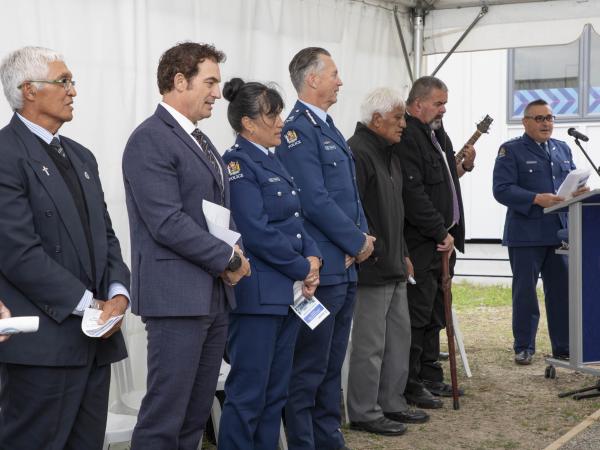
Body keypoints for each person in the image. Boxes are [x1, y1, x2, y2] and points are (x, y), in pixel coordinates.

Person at [0, 46, 130, 449]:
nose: (74, 90)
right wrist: (91, 305)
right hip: (43, 350)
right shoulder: (5, 154)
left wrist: (118, 295)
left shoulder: (81, 156)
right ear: (29, 90)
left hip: (95, 342)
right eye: (64, 81)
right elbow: (18, 253)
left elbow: (106, 237)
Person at [122, 43, 250, 449]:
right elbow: (166, 222)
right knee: (165, 416)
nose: (217, 92)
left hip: (211, 296)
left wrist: (236, 251)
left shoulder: (203, 142)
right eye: (209, 82)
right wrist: (227, 257)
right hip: (176, 299)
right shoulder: (150, 139)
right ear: (180, 81)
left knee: (195, 416)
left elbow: (217, 214)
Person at [277, 46, 375, 450]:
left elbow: (350, 195)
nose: (340, 81)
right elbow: (313, 200)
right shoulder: (297, 131)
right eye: (333, 73)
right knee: (309, 368)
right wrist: (354, 242)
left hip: (347, 267)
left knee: (332, 365)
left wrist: (365, 240)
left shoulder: (329, 126)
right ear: (312, 78)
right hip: (323, 270)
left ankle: (329, 439)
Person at [217, 78, 322, 449]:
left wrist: (313, 257)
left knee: (275, 395)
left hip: (287, 295)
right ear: (248, 123)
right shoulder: (238, 163)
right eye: (273, 114)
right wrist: (301, 268)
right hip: (258, 297)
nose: (281, 121)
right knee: (248, 395)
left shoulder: (272, 159)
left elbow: (296, 218)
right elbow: (256, 231)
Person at [347, 87, 429, 436]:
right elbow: (355, 213)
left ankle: (391, 403)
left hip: (395, 264)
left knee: (398, 338)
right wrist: (376, 252)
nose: (403, 126)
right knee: (370, 345)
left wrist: (405, 254)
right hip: (371, 267)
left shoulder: (390, 154)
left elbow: (395, 213)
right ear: (377, 119)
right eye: (398, 118)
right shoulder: (358, 153)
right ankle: (365, 411)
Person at [396, 76, 474, 408]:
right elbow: (413, 194)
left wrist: (463, 168)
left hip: (444, 240)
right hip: (423, 242)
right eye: (438, 103)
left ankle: (430, 374)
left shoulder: (435, 133)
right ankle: (410, 383)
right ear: (418, 104)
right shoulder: (409, 137)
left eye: (445, 102)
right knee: (418, 314)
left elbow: (440, 180)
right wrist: (439, 230)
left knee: (435, 313)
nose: (444, 109)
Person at [493, 99, 587, 365]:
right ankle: (524, 346)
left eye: (549, 118)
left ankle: (564, 347)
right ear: (525, 122)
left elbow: (564, 186)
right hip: (526, 233)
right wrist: (535, 198)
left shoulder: (562, 148)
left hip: (560, 233)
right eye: (539, 118)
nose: (546, 123)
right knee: (525, 292)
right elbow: (501, 189)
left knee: (560, 293)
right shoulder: (511, 151)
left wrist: (577, 192)